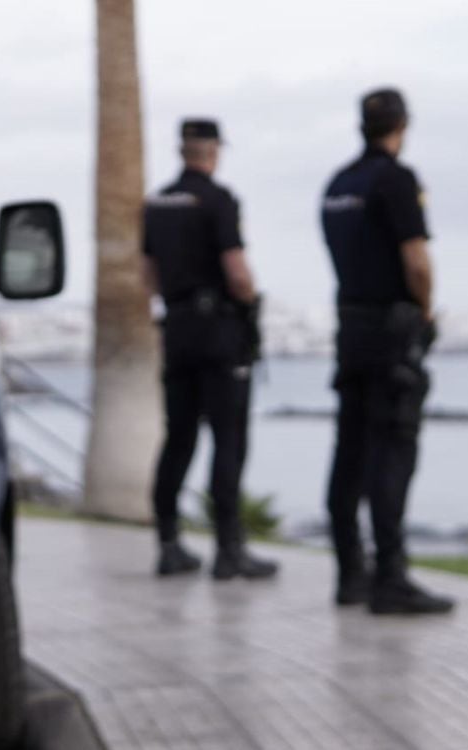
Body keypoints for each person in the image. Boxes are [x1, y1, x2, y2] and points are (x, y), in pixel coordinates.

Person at [321, 89, 453, 614]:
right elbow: (416, 260)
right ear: (402, 125)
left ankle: (350, 572)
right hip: (390, 332)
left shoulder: (338, 183)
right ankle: (390, 578)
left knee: (349, 450)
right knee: (393, 449)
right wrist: (423, 313)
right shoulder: (395, 179)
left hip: (350, 329)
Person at [142, 119, 277, 580]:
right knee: (228, 438)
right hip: (218, 332)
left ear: (182, 151)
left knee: (178, 438)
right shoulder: (219, 200)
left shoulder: (155, 203)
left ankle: (168, 542)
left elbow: (148, 276)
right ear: (213, 151)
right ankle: (228, 550)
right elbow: (236, 271)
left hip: (177, 330)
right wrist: (250, 304)